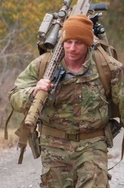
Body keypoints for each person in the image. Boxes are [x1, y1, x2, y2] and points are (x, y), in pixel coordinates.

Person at [8, 14, 124, 188]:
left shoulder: (107, 67)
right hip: (54, 145)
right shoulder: (43, 65)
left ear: (88, 43)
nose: (72, 48)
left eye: (79, 43)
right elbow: (14, 96)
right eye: (68, 42)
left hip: (92, 144)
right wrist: (34, 91)